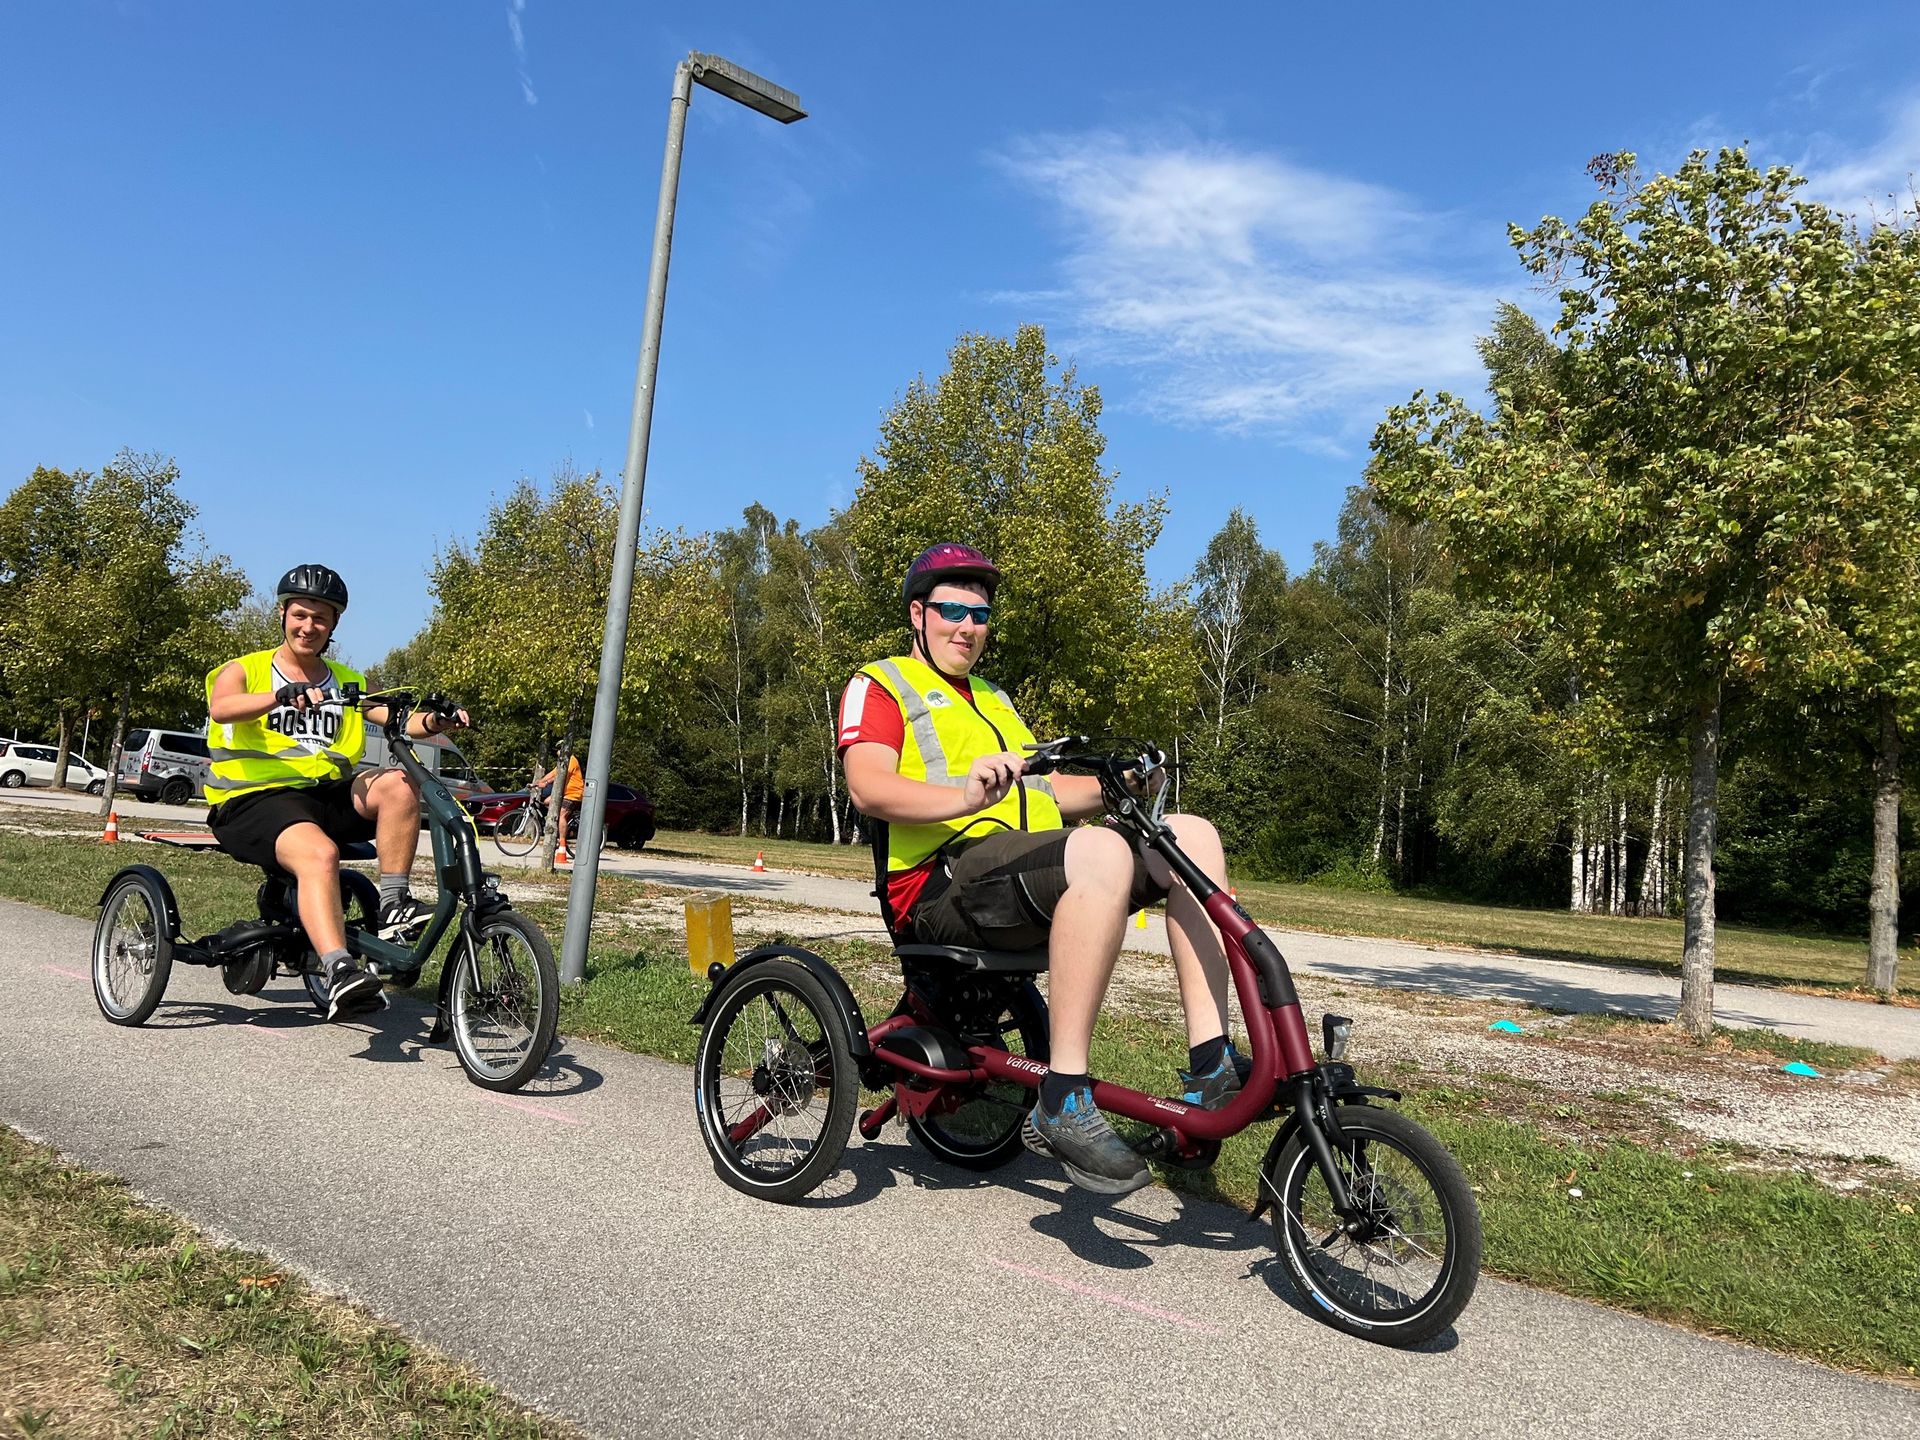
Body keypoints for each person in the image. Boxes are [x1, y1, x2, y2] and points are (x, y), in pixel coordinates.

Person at [837, 543, 1241, 1196]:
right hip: (941, 886)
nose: (968, 627)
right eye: (952, 611)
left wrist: (1119, 785)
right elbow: (867, 786)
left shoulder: (994, 699)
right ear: (918, 613)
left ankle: (1210, 1062)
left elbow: (1045, 793)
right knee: (1101, 851)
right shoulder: (881, 683)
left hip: (1016, 875)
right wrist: (965, 796)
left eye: (979, 615)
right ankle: (1063, 1094)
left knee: (1191, 835)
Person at [204, 564, 470, 1021]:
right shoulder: (247, 669)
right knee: (321, 854)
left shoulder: (346, 681)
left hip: (320, 797)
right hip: (251, 800)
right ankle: (340, 970)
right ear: (283, 614)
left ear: (334, 625)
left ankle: (393, 905)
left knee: (399, 783)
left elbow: (398, 719)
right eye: (300, 615)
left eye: (320, 618)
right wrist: (279, 696)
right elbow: (222, 707)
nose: (308, 627)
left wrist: (436, 721)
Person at [535, 751, 584, 840]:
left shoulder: (571, 760)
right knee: (546, 802)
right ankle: (561, 825)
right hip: (565, 793)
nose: (557, 753)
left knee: (562, 815)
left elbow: (562, 775)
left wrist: (546, 783)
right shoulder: (563, 762)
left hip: (573, 794)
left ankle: (562, 842)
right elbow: (553, 773)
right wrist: (538, 782)